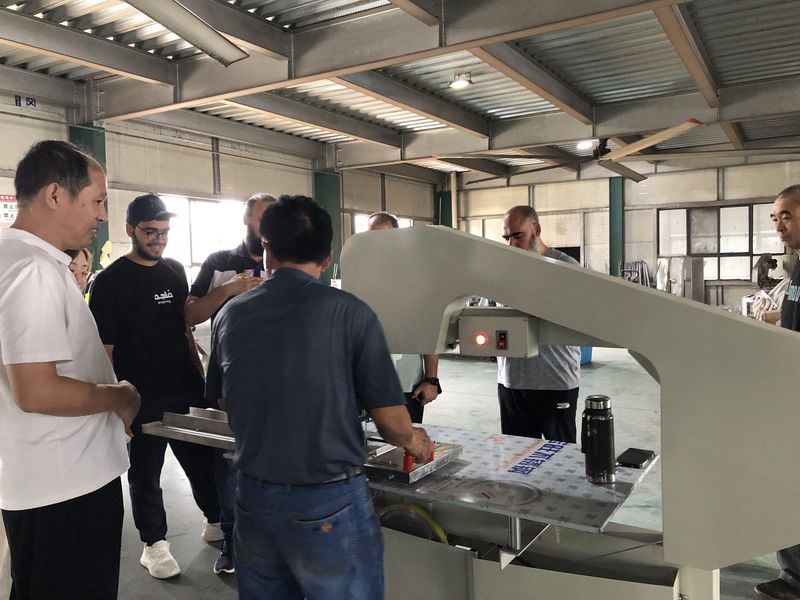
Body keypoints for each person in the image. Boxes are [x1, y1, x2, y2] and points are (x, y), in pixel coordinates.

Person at [207, 195, 433, 600]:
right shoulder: (352, 313)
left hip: (254, 497)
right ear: (328, 257)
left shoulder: (230, 314)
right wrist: (415, 440)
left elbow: (225, 401)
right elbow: (390, 423)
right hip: (328, 501)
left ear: (266, 250)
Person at [0, 140, 140, 599]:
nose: (103, 215)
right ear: (56, 194)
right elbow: (37, 391)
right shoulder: (33, 269)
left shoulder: (14, 258)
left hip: (42, 481)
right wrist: (120, 396)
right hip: (66, 487)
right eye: (97, 201)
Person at [89, 193, 221, 580]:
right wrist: (116, 404)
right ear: (130, 230)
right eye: (150, 232)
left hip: (184, 387)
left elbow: (184, 329)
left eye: (164, 232)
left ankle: (215, 520)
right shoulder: (110, 282)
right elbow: (103, 351)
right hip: (139, 395)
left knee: (202, 463)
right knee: (146, 472)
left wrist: (200, 378)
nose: (159, 239)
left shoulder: (175, 270)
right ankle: (154, 544)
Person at [185, 192, 275, 575]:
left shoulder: (282, 264)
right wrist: (228, 290)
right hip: (227, 385)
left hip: (274, 385)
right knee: (228, 466)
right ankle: (232, 541)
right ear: (246, 220)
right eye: (262, 218)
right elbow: (189, 314)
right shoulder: (219, 263)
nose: (267, 226)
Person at [490, 205, 581, 443]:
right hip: (511, 382)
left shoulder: (566, 268)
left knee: (560, 454)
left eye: (517, 236)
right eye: (506, 238)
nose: (512, 244)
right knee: (515, 454)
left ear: (536, 229)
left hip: (555, 382)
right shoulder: (502, 272)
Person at [755, 184, 800, 600]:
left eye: (786, 215)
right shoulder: (798, 266)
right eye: (775, 217)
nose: (778, 225)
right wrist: (771, 318)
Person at [366, 211, 441, 423]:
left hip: (407, 383)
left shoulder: (414, 276)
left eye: (384, 236)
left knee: (406, 439)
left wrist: (431, 379)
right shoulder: (361, 273)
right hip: (368, 380)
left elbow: (429, 328)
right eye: (371, 236)